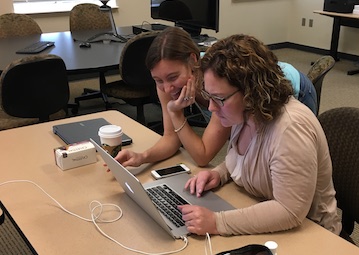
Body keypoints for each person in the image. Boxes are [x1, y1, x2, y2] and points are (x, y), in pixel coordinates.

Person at [179, 34, 341, 236]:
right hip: (265, 212)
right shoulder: (244, 113)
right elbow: (249, 158)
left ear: (251, 92)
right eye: (208, 96)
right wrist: (219, 174)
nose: (211, 107)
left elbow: (289, 211)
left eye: (219, 98)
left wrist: (217, 222)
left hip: (312, 233)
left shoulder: (290, 129)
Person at [115, 27, 318, 169]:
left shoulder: (217, 83)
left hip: (292, 86)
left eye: (173, 77)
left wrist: (176, 114)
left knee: (284, 156)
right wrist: (142, 157)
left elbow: (202, 156)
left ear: (193, 61)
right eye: (158, 80)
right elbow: (171, 138)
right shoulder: (166, 83)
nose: (167, 87)